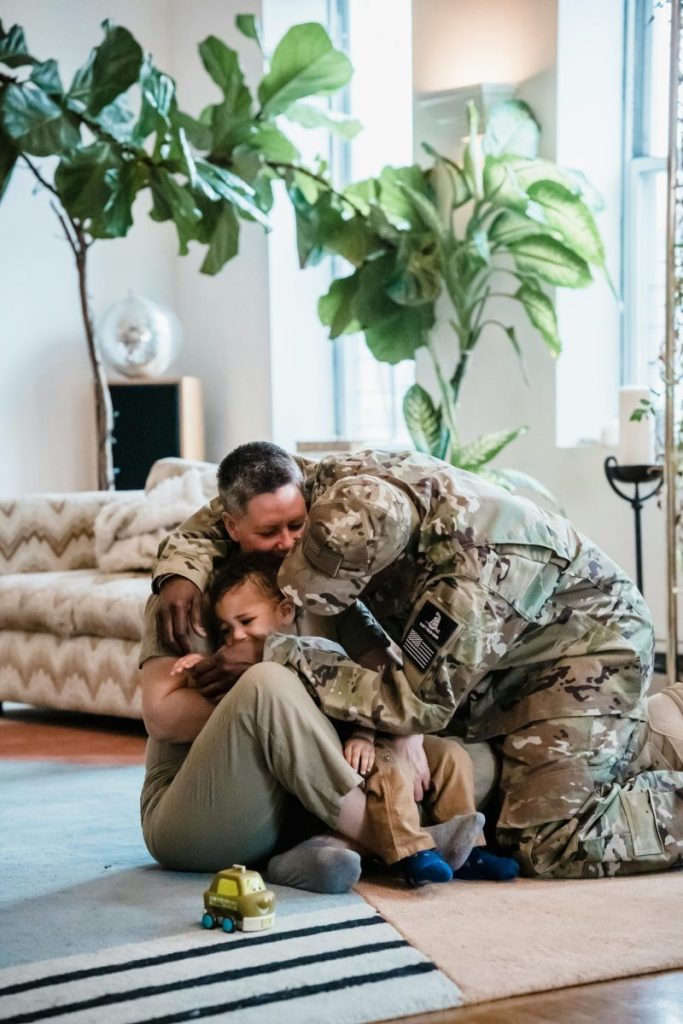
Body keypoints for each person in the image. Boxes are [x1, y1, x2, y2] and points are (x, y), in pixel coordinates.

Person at [149, 443, 683, 880]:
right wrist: (180, 571)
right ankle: (649, 732)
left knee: (546, 841)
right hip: (487, 659)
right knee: (484, 793)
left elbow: (416, 700)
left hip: (579, 655)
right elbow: (235, 501)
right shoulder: (337, 485)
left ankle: (638, 741)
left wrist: (280, 651)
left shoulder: (470, 583)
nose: (286, 552)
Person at [140, 443, 498, 891]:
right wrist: (287, 711)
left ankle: (322, 850)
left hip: (295, 807)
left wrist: (406, 735)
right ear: (230, 526)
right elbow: (162, 717)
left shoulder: (321, 587)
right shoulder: (188, 597)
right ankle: (399, 845)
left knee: (470, 756)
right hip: (199, 813)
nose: (288, 543)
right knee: (268, 682)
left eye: (297, 523)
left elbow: (389, 678)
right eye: (270, 531)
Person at [170, 551, 519, 886]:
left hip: (363, 733)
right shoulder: (242, 667)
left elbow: (369, 685)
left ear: (285, 610)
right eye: (227, 630)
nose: (237, 637)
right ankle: (409, 851)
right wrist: (202, 666)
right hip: (328, 765)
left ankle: (468, 849)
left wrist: (369, 734)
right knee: (387, 768)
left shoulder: (319, 646)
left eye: (246, 622)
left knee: (455, 756)